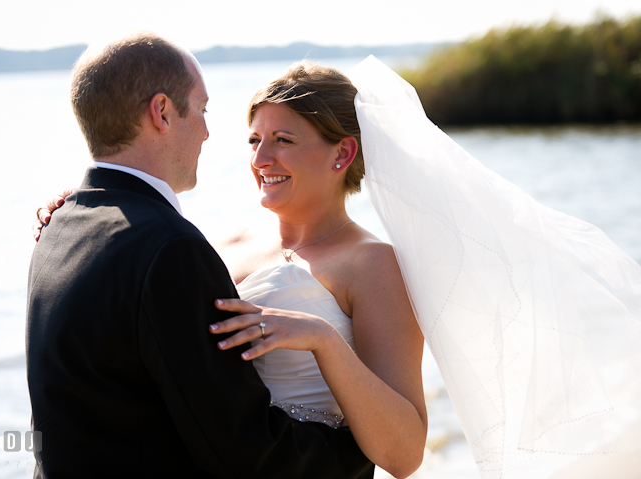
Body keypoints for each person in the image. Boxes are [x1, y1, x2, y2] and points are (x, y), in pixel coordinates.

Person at [36, 54, 641, 478]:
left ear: (342, 153)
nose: (261, 158)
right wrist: (87, 213)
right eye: (253, 140)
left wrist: (325, 340)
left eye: (284, 140)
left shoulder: (372, 266)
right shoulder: (215, 241)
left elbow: (404, 454)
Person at [26, 32, 375, 479]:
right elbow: (242, 448)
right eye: (202, 108)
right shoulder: (171, 249)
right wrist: (360, 451)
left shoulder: (59, 225)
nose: (209, 132)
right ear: (162, 112)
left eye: (282, 139)